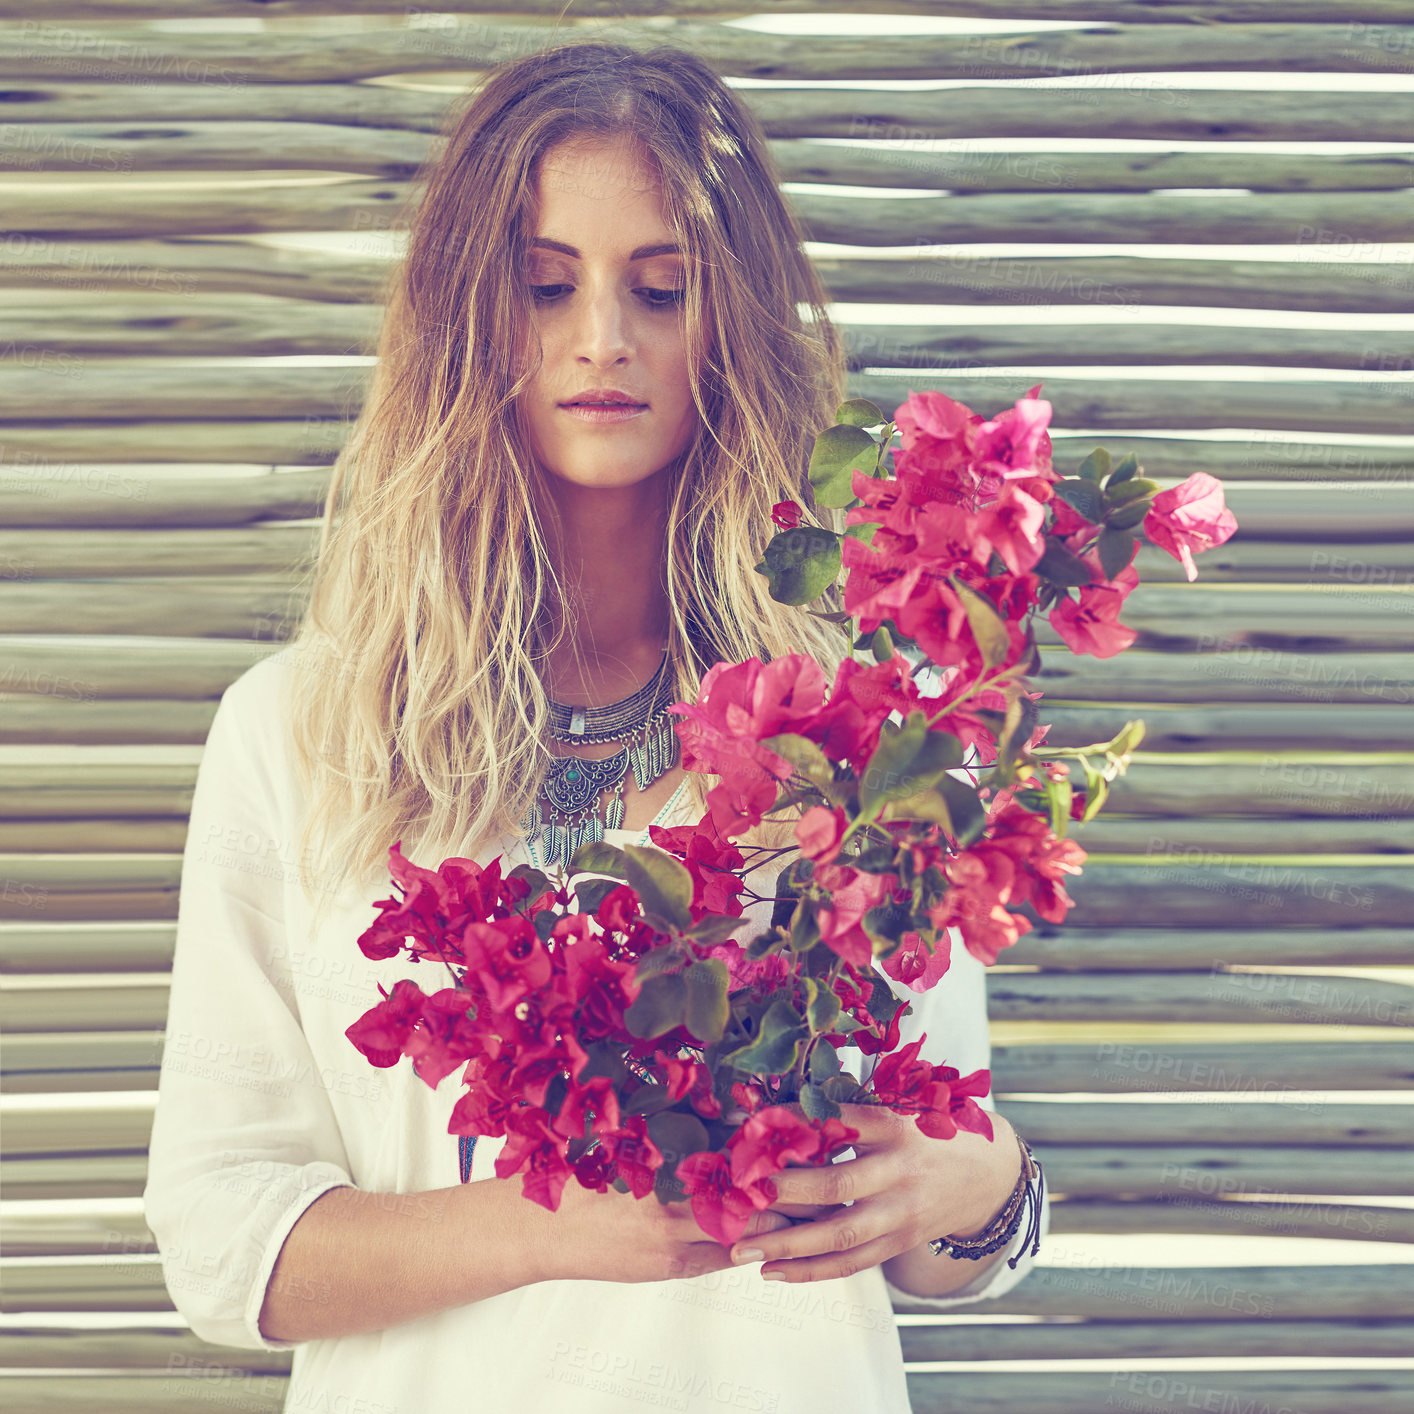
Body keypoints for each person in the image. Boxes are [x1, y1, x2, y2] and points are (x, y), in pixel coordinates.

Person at [143, 41, 1049, 1414]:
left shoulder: (866, 734)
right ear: (466, 319)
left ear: (728, 321)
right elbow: (220, 1245)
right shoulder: (297, 732)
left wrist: (981, 1187)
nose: (602, 339)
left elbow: (939, 1225)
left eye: (661, 288)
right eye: (544, 284)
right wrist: (545, 1222)